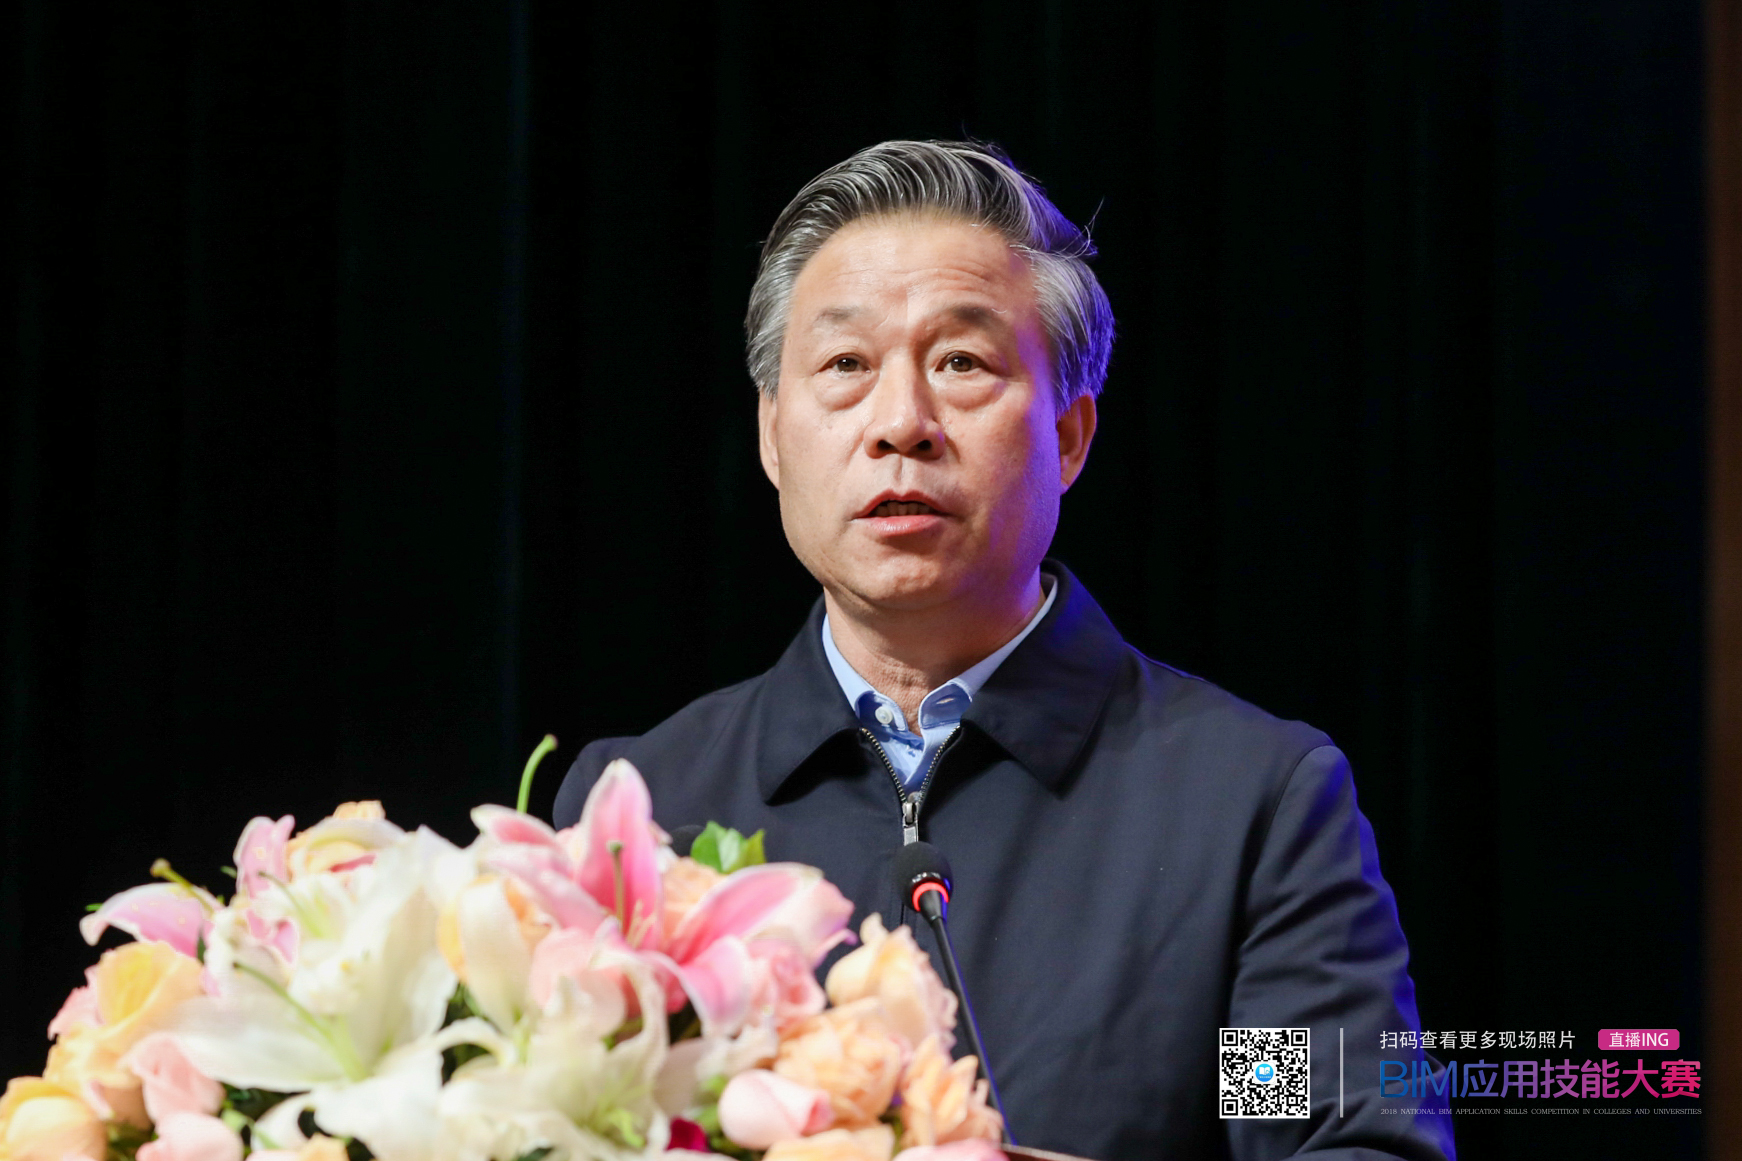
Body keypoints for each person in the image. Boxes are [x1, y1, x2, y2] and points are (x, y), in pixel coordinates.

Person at [554, 140, 1454, 1161]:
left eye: (962, 364)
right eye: (845, 366)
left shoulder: (1242, 811)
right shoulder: (640, 812)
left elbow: (1327, 1137)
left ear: (1069, 435)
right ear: (771, 435)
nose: (901, 424)